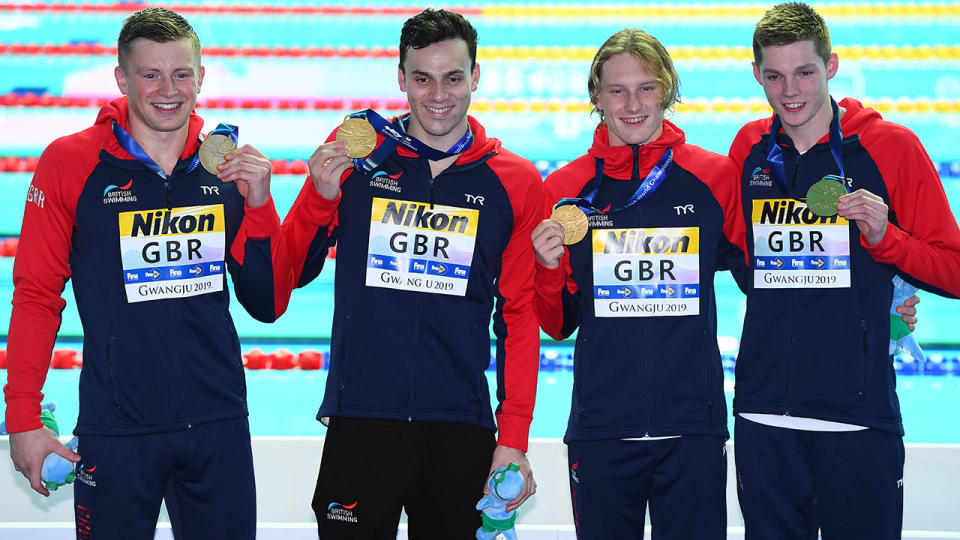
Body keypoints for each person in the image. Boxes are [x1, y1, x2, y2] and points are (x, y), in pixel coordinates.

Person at [3, 8, 293, 539]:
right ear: (122, 77)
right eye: (150, 74)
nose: (168, 89)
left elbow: (269, 303)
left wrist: (258, 207)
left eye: (182, 74)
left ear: (201, 78)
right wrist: (22, 416)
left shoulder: (224, 169)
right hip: (116, 430)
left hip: (216, 424)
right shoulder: (71, 162)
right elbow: (37, 294)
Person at [279, 8, 542, 539]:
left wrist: (512, 435)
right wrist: (318, 198)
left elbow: (518, 316)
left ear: (476, 77)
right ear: (401, 78)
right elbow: (287, 276)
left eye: (453, 78)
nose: (438, 94)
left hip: (460, 427)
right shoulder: (359, 152)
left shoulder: (514, 181)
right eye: (422, 78)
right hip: (362, 419)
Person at [729, 3, 960, 538]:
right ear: (756, 74)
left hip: (858, 414)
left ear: (831, 66)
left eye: (805, 72)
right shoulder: (749, 150)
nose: (790, 91)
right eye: (774, 75)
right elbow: (742, 260)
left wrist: (887, 241)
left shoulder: (890, 148)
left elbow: (952, 269)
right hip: (764, 414)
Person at [530, 28, 745, 539]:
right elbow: (558, 324)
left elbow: (764, 275)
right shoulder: (565, 191)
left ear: (667, 89)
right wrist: (546, 266)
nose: (632, 103)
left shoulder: (714, 179)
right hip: (602, 428)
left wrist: (884, 288)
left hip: (692, 425)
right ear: (596, 96)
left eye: (646, 88)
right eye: (617, 90)